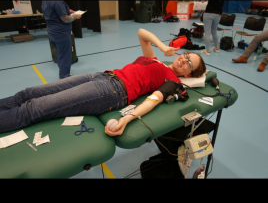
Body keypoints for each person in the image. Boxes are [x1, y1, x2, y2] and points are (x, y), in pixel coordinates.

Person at [0, 29, 206, 135]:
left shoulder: (172, 80)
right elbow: (142, 33)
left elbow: (154, 99)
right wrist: (162, 46)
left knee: (34, 108)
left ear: (188, 75)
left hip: (112, 91)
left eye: (189, 63)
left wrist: (127, 119)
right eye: (186, 55)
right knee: (28, 93)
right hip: (100, 76)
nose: (183, 59)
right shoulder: (155, 59)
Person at [41, 1, 81, 79]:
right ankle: (65, 76)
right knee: (65, 55)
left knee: (60, 53)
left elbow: (52, 12)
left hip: (52, 31)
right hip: (61, 32)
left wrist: (67, 11)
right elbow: (65, 19)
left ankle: (63, 72)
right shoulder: (57, 2)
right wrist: (76, 16)